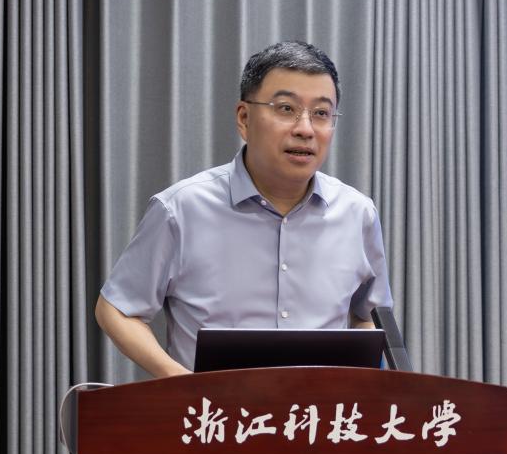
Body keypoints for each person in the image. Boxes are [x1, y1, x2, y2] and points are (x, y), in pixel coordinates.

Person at [95, 40, 393, 377]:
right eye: (286, 109)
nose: (305, 129)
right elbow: (116, 310)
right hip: (212, 408)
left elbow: (369, 318)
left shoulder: (357, 214)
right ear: (244, 118)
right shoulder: (181, 210)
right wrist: (179, 382)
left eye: (321, 113)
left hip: (317, 409)